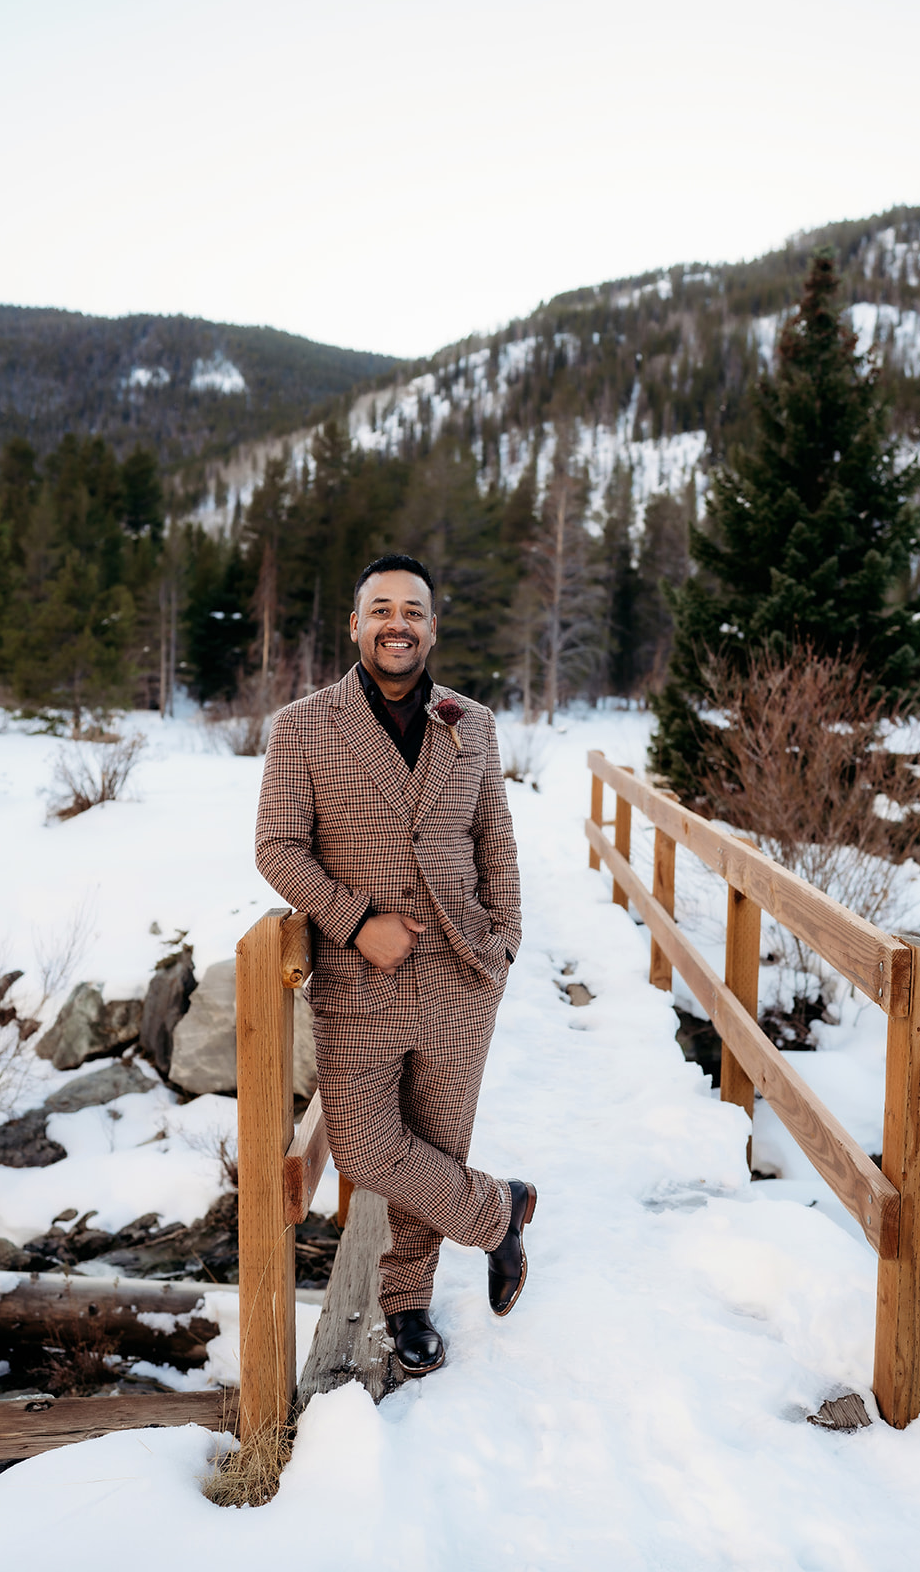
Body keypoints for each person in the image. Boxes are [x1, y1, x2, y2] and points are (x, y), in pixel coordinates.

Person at [254, 553, 534, 1377]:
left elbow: (496, 841)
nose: (396, 622)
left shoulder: (469, 722)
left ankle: (406, 1304)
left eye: (412, 609)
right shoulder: (302, 726)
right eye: (380, 607)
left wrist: (505, 940)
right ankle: (498, 1212)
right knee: (371, 1150)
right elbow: (276, 847)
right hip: (358, 981)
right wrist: (355, 920)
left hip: (461, 972)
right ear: (355, 624)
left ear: (432, 627)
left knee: (438, 1142)